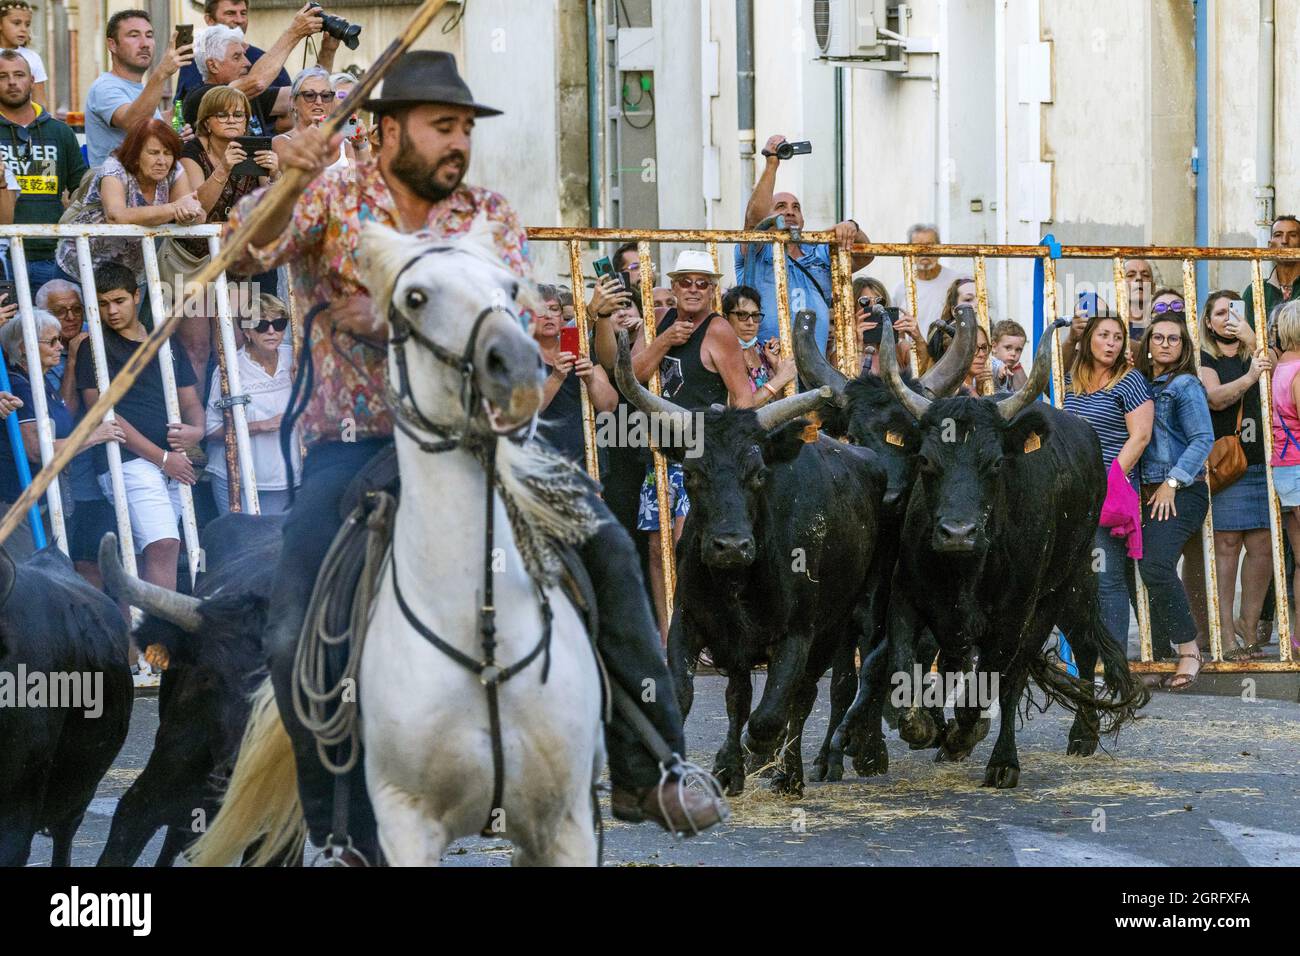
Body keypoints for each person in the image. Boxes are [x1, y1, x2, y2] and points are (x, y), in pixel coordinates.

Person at [223, 50, 726, 858]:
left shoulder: (486, 212)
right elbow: (240, 257)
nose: (458, 142)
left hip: (486, 443)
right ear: (389, 129)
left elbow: (505, 328)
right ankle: (337, 831)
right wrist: (280, 180)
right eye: (441, 125)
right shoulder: (330, 194)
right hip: (353, 444)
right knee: (289, 633)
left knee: (609, 546)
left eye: (464, 127)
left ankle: (651, 763)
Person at [631, 250, 759, 644]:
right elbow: (632, 376)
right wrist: (665, 339)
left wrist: (735, 454)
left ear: (712, 290)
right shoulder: (662, 322)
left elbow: (742, 398)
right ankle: (671, 636)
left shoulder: (718, 330)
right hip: (664, 454)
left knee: (693, 547)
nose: (692, 289)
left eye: (701, 283)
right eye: (684, 281)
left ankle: (704, 635)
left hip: (705, 459)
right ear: (673, 285)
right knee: (658, 550)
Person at [74, 262, 204, 595]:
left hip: (172, 464)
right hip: (128, 462)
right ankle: (158, 641)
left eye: (118, 301)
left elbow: (190, 401)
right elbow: (103, 413)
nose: (111, 311)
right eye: (102, 304)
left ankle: (137, 645)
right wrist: (162, 458)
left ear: (136, 296)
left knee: (148, 555)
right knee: (163, 545)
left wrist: (197, 431)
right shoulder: (95, 348)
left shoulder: (166, 342)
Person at [1062, 313, 1154, 655]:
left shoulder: (1130, 382)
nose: (1112, 343)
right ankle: (1080, 657)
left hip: (1106, 491)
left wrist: (1108, 478)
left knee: (1107, 577)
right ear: (1089, 340)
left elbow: (1141, 436)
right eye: (1104, 335)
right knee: (1075, 577)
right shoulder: (1073, 378)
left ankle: (1112, 660)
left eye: (1118, 337)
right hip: (1072, 490)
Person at [0, 308, 124, 562]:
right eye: (52, 341)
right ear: (25, 347)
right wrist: (94, 436)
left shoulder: (39, 381)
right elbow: (36, 450)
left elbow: (65, 412)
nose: (60, 346)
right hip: (16, 500)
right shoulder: (18, 386)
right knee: (28, 577)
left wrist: (73, 362)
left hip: (39, 498)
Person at [176, 84, 280, 380]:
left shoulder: (255, 147)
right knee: (196, 348)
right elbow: (197, 209)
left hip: (232, 263)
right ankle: (200, 422)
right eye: (222, 114)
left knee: (233, 341)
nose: (233, 120)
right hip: (192, 263)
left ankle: (232, 422)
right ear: (206, 121)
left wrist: (275, 175)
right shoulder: (191, 151)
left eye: (239, 114)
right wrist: (223, 168)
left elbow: (270, 208)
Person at [1134, 311, 1214, 688]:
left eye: (1174, 338)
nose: (1165, 343)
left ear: (1183, 347)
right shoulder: (1141, 385)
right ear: (1148, 344)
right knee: (1145, 567)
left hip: (1182, 491)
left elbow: (1203, 439)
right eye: (1159, 337)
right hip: (1146, 493)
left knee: (1155, 565)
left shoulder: (1185, 385)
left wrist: (1172, 482)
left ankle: (1189, 649)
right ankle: (1159, 655)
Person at [737, 133, 872, 354]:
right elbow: (754, 221)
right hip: (767, 365)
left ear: (803, 219)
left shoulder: (819, 252)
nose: (790, 211)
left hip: (814, 369)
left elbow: (865, 255)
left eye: (796, 207)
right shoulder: (757, 250)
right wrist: (772, 163)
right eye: (780, 206)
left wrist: (852, 227)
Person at [1199, 290, 1275, 659]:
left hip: (1263, 460)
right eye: (1219, 313)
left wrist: (1253, 341)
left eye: (1234, 311)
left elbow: (1283, 374)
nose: (1227, 317)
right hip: (1227, 465)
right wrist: (1249, 378)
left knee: (1262, 548)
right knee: (1226, 548)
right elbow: (1216, 398)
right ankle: (1224, 634)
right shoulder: (1203, 358)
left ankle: (1249, 628)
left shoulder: (1256, 352)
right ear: (1208, 323)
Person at [34, 278, 117, 587]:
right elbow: (63, 419)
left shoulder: (99, 345)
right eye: (60, 311)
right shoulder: (42, 356)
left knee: (97, 564)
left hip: (99, 477)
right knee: (62, 569)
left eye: (76, 309)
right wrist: (72, 362)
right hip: (63, 481)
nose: (70, 317)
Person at [56, 118, 203, 286]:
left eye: (168, 153)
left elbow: (193, 211)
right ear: (135, 155)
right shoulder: (114, 169)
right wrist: (174, 208)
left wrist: (190, 214)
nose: (162, 161)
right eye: (154, 153)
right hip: (80, 269)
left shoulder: (174, 170)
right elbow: (116, 216)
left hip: (132, 275)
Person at [0, 49, 87, 290]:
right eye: (2, 76)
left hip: (52, 254)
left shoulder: (60, 132)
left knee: (55, 326)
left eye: (19, 75)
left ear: (31, 80)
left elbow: (82, 187)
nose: (12, 82)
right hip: (3, 256)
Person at [203, 293, 297, 514]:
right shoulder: (230, 370)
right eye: (261, 325)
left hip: (289, 477)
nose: (272, 331)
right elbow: (211, 430)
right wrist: (261, 426)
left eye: (279, 323)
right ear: (246, 331)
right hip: (241, 480)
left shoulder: (295, 357)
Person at [182, 11, 329, 137]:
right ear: (213, 65)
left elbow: (311, 93)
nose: (247, 63)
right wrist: (294, 32)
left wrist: (328, 50)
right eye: (236, 57)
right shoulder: (200, 97)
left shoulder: (250, 96)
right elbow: (257, 82)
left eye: (244, 55)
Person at [84, 11, 193, 169]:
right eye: (134, 35)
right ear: (112, 44)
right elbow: (135, 123)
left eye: (149, 35)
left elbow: (147, 130)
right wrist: (162, 73)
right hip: (116, 188)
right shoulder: (104, 86)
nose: (144, 43)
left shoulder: (142, 89)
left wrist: (171, 131)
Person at [532, 284, 617, 466]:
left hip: (587, 464)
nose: (548, 315)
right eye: (540, 310)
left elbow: (609, 405)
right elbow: (526, 411)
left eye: (554, 309)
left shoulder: (578, 349)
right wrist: (556, 377)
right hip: (540, 466)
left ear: (562, 317)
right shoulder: (519, 354)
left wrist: (591, 380)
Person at [175, 0, 295, 106]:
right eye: (230, 13)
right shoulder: (192, 63)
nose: (239, 20)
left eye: (243, 13)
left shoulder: (270, 62)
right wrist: (295, 31)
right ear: (210, 20)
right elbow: (255, 84)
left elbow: (292, 101)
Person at [722, 284, 794, 400]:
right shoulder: (722, 354)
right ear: (725, 317)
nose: (750, 322)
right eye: (742, 315)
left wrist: (776, 365)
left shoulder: (761, 352)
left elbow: (777, 402)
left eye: (755, 315)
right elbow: (740, 407)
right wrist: (781, 378)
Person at [891, 223, 960, 338]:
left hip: (947, 353)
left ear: (939, 248)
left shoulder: (956, 281)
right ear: (909, 251)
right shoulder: (901, 289)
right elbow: (897, 328)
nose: (924, 251)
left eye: (930, 245)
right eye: (917, 246)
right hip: (912, 353)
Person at [851, 276, 919, 375]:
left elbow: (923, 376)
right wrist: (858, 346)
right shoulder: (842, 351)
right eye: (864, 301)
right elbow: (845, 385)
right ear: (852, 308)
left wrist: (919, 339)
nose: (874, 307)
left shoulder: (900, 348)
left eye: (880, 302)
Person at [1243, 215, 1300, 330]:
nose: (1284, 241)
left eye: (1293, 235)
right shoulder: (1255, 290)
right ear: (1270, 246)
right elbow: (1246, 337)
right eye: (1278, 235)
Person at [0, 1, 44, 108]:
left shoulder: (33, 58)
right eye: (16, 23)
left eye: (27, 24)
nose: (24, 29)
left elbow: (39, 101)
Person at [328, 71, 372, 167]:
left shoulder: (348, 144)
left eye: (355, 98)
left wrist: (361, 144)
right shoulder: (308, 137)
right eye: (342, 96)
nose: (350, 103)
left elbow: (367, 178)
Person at [991, 319, 1029, 390]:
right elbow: (995, 365)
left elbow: (1025, 391)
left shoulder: (1012, 368)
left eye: (1018, 350)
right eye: (1008, 348)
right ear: (994, 347)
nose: (1013, 354)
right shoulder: (990, 363)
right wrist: (1000, 369)